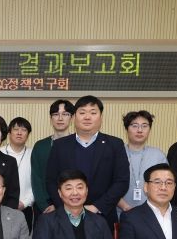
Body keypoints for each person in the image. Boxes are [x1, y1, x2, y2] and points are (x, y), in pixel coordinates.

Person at [46, 96, 129, 231]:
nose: (87, 117)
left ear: (101, 117)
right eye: (82, 112)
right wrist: (66, 208)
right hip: (65, 217)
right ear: (74, 117)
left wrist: (97, 207)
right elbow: (51, 181)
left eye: (93, 112)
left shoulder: (115, 145)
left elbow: (122, 181)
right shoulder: (60, 145)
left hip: (103, 216)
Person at [117, 111, 167, 216]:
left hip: (151, 214)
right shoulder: (116, 153)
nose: (140, 130)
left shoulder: (158, 155)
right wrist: (125, 207)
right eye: (134, 126)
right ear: (126, 129)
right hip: (120, 213)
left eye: (144, 126)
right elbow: (107, 185)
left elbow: (165, 186)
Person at [31, 99, 74, 216]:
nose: (60, 118)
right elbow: (36, 179)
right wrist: (44, 205)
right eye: (55, 114)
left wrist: (61, 204)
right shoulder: (40, 146)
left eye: (65, 114)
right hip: (45, 207)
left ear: (72, 118)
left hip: (72, 204)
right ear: (51, 119)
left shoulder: (78, 144)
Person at [1, 117, 35, 232]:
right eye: (16, 129)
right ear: (9, 133)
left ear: (28, 134)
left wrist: (25, 203)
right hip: (0, 208)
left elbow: (37, 183)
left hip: (25, 208)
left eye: (24, 130)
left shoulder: (33, 155)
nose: (19, 133)